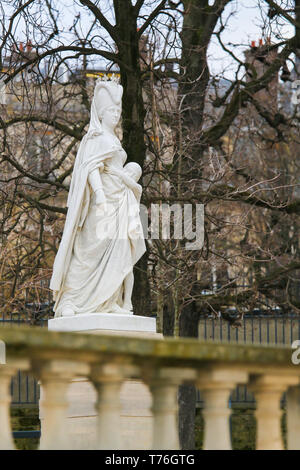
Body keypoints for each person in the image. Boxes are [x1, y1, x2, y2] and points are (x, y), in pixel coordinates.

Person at [50, 77, 146, 317]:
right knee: (88, 249)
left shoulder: (114, 140)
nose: (116, 114)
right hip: (103, 202)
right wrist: (101, 195)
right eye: (112, 110)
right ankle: (71, 300)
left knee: (117, 253)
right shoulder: (95, 139)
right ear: (101, 114)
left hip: (119, 202)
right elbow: (92, 168)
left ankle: (109, 301)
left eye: (118, 111)